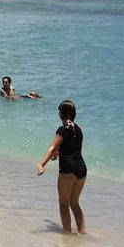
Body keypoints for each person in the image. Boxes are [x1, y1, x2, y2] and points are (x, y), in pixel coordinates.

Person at [36, 100, 87, 235]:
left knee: (64, 204)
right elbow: (65, 149)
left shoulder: (62, 130)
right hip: (81, 169)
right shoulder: (79, 129)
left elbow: (52, 148)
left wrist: (41, 164)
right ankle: (82, 233)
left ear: (60, 114)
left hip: (68, 170)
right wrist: (56, 154)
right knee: (74, 203)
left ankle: (67, 235)